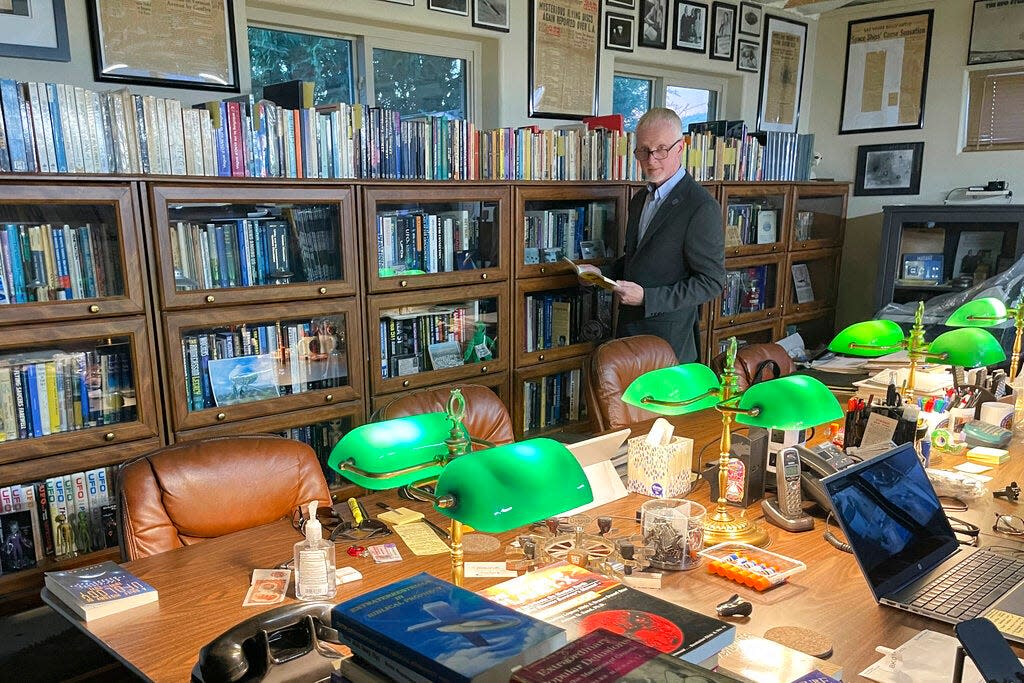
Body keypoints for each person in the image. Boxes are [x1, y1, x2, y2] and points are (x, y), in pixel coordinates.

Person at [577, 108, 725, 362]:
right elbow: (636, 259)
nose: (651, 159)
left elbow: (711, 283)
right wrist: (602, 276)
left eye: (661, 149)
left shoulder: (701, 206)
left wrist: (648, 298)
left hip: (669, 341)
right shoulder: (639, 200)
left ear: (680, 148)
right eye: (643, 150)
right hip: (628, 332)